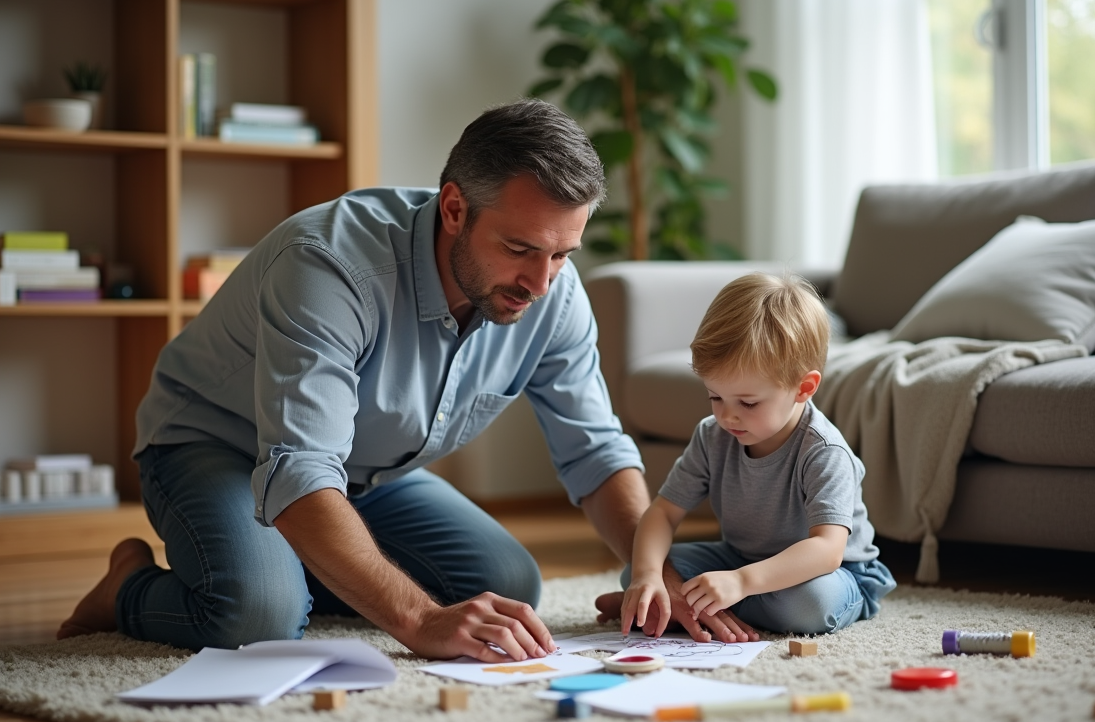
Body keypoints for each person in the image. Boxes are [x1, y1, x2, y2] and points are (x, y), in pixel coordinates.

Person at [57, 99, 755, 662]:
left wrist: (650, 568)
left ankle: (306, 568)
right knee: (257, 615)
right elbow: (299, 475)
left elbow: (597, 454)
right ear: (454, 208)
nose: (541, 282)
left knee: (509, 586)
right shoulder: (330, 267)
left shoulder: (553, 292)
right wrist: (416, 619)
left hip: (367, 474)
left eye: (563, 255)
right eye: (519, 249)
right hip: (215, 449)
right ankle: (128, 587)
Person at [605, 272, 896, 638]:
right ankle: (673, 600)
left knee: (809, 606)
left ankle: (684, 607)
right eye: (715, 397)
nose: (727, 415)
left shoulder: (823, 451)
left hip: (830, 574)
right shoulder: (712, 436)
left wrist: (742, 582)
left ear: (803, 388)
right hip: (739, 559)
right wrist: (649, 576)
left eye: (747, 402)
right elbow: (662, 513)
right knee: (638, 569)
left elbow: (826, 550)